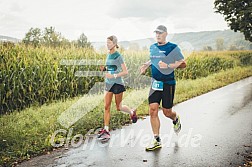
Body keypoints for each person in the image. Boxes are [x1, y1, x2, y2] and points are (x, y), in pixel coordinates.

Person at [140, 25, 186, 151]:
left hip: (168, 83)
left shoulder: (173, 47)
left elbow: (183, 63)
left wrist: (168, 65)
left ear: (166, 34)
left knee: (167, 112)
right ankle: (156, 139)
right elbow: (153, 59)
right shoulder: (153, 47)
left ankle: (175, 119)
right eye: (156, 33)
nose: (158, 35)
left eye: (160, 33)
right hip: (155, 83)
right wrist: (146, 65)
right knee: (153, 110)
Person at [97, 35, 138, 141]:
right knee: (106, 106)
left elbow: (125, 71)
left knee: (118, 107)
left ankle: (132, 112)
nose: (107, 44)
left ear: (114, 44)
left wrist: (114, 76)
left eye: (109, 43)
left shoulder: (118, 55)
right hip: (108, 83)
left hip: (117, 84)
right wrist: (105, 68)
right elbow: (112, 67)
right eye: (107, 42)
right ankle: (106, 130)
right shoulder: (108, 54)